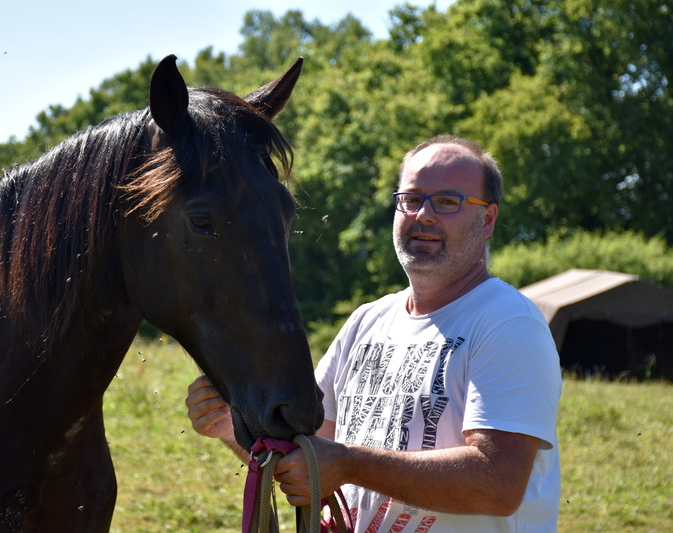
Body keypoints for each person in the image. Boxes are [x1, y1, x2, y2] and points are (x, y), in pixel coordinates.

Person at [186, 135, 562, 532]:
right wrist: (232, 426)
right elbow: (313, 456)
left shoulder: (508, 323)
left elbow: (498, 483)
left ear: (487, 220)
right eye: (411, 199)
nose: (424, 215)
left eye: (448, 202)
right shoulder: (367, 322)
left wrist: (350, 463)